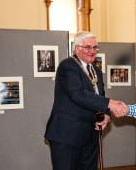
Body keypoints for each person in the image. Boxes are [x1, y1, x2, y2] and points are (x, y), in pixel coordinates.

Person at [44, 31, 127, 170]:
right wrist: (111, 104)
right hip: (67, 135)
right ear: (77, 48)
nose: (92, 51)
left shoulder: (96, 70)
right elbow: (78, 95)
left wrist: (106, 114)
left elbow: (99, 96)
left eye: (95, 48)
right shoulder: (68, 66)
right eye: (88, 47)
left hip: (90, 134)